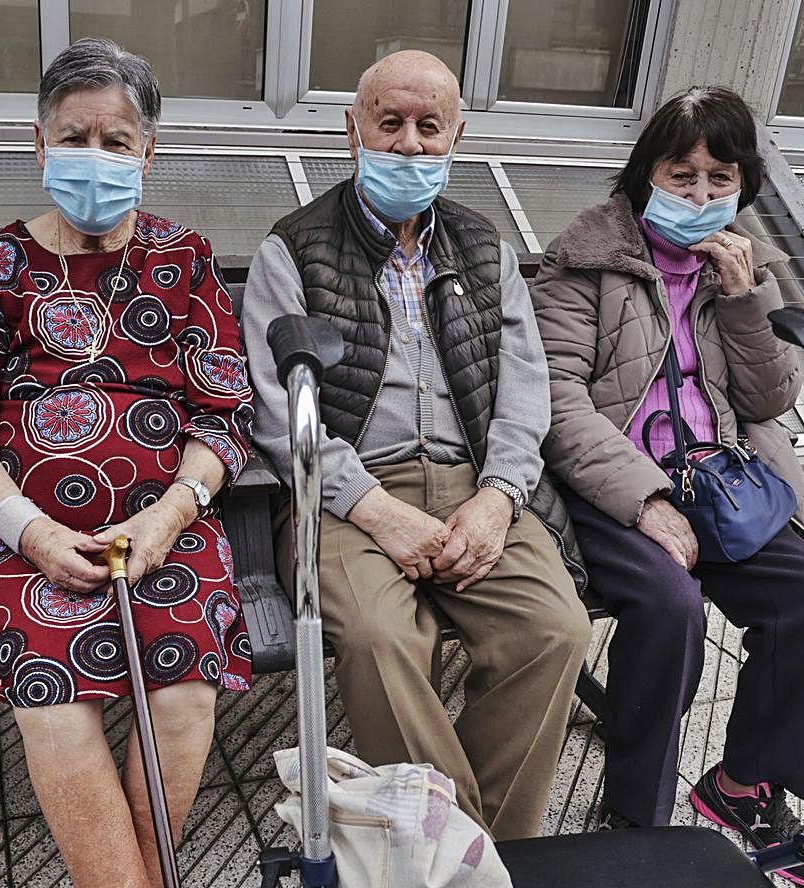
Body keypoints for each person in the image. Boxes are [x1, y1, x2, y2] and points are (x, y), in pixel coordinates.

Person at [0, 38, 254, 888]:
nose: (96, 155)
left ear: (148, 154)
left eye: (117, 140)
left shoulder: (186, 259)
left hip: (166, 522)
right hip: (29, 537)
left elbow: (224, 410)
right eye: (75, 138)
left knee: (186, 678)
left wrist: (173, 509)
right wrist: (24, 528)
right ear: (38, 144)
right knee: (53, 686)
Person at [242, 50, 591, 842]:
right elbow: (273, 409)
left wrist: (500, 498)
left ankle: (486, 852)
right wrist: (374, 510)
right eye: (388, 122)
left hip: (474, 485)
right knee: (378, 638)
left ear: (456, 136)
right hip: (342, 494)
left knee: (553, 632)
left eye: (427, 127)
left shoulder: (480, 246)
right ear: (351, 130)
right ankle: (452, 853)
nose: (407, 144)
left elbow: (524, 388)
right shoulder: (291, 249)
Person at [531, 86, 804, 887]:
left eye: (719, 179)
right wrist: (645, 499)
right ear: (644, 176)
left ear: (743, 186)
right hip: (610, 488)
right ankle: (636, 809)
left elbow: (770, 401)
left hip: (718, 482)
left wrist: (745, 303)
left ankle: (742, 783)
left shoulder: (743, 269)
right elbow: (555, 401)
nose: (699, 196)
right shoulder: (582, 264)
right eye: (681, 174)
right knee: (670, 606)